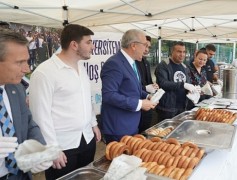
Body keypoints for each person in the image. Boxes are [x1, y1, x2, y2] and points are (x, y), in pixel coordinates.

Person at [29, 24, 101, 180]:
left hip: (86, 139)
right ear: (74, 45)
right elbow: (40, 116)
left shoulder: (81, 68)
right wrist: (52, 149)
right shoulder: (44, 72)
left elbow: (86, 99)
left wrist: (94, 123)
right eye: (88, 42)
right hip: (62, 147)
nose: (93, 46)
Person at [0, 29, 52, 179]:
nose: (27, 69)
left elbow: (28, 123)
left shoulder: (16, 87)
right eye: (19, 62)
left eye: (27, 61)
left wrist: (39, 149)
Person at [100, 29, 157, 144]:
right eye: (145, 45)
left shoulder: (132, 63)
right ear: (133, 46)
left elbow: (133, 89)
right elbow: (109, 95)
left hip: (130, 124)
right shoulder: (114, 64)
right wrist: (140, 104)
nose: (146, 50)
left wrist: (147, 96)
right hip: (118, 127)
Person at [155, 41, 199, 122]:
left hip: (182, 107)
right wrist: (183, 85)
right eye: (179, 51)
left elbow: (188, 83)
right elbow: (163, 84)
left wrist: (193, 90)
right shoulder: (163, 65)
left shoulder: (184, 66)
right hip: (167, 109)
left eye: (184, 52)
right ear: (172, 52)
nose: (182, 54)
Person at [136, 35, 159, 133]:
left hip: (148, 102)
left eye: (149, 47)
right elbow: (130, 87)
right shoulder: (133, 62)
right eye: (145, 46)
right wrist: (145, 88)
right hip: (137, 104)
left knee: (145, 131)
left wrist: (153, 86)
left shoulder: (146, 62)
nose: (146, 49)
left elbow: (148, 80)